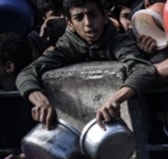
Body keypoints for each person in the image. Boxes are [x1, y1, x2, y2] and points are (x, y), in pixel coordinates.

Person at [15, 0, 156, 130]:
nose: (88, 23)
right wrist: (40, 101)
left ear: (105, 17)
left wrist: (115, 99)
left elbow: (143, 70)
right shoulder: (66, 46)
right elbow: (27, 73)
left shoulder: (119, 42)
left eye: (93, 15)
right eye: (79, 17)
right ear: (69, 23)